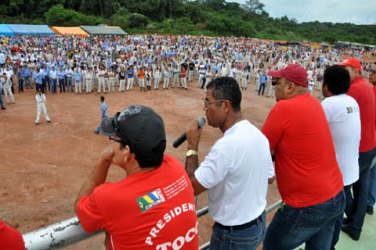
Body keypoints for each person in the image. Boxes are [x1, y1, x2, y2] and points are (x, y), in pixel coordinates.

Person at [75, 105, 198, 250]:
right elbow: (147, 201)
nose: (110, 143)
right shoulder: (175, 168)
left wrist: (102, 161)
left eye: (113, 139)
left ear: (126, 151)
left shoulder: (110, 198)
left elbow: (80, 207)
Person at [261, 64, 345, 250]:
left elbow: (261, 149)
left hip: (306, 204)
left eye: (277, 83)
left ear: (290, 87)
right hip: (336, 195)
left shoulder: (284, 108)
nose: (274, 88)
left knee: (272, 245)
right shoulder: (314, 102)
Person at [185, 76, 274, 249]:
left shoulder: (226, 147)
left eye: (208, 102)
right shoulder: (258, 135)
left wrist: (192, 145)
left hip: (233, 235)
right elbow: (270, 178)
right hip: (256, 223)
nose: (204, 108)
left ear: (225, 106)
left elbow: (191, 187)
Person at [321, 65, 361, 249]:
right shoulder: (352, 101)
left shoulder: (328, 104)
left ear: (326, 86)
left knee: (326, 219)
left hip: (335, 175)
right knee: (337, 215)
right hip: (350, 170)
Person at [338, 58, 376, 241]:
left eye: (345, 69)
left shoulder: (353, 89)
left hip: (359, 148)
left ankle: (351, 219)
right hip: (370, 144)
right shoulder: (367, 86)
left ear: (355, 70)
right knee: (362, 187)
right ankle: (355, 225)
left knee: (341, 185)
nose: (343, 73)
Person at [367, 64, 376, 215]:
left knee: (367, 172)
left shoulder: (372, 91)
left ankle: (366, 202)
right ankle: (369, 202)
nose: (370, 74)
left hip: (372, 137)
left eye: (374, 72)